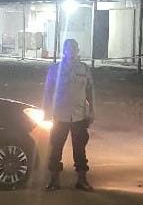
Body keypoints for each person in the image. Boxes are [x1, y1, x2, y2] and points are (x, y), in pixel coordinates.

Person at [42, 38, 96, 192]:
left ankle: (82, 180)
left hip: (79, 116)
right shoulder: (55, 69)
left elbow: (90, 91)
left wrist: (92, 110)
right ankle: (54, 180)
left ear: (77, 51)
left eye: (74, 48)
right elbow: (48, 92)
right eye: (68, 48)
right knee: (56, 148)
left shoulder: (84, 69)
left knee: (80, 149)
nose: (71, 51)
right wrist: (47, 112)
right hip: (60, 115)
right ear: (64, 51)